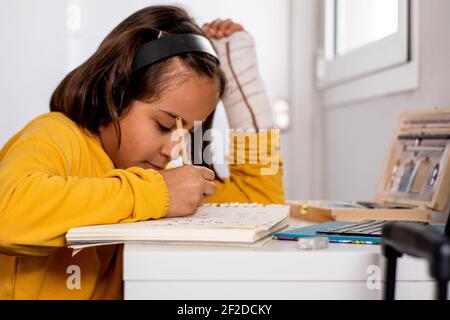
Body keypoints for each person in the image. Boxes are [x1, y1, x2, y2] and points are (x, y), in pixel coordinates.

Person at [0, 5, 284, 299]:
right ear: (115, 91)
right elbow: (6, 217)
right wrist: (156, 194)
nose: (173, 150)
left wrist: (240, 83)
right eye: (164, 125)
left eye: (185, 134)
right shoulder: (58, 135)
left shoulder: (155, 179)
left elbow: (261, 204)